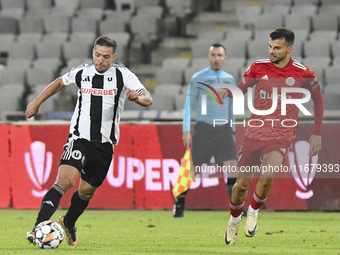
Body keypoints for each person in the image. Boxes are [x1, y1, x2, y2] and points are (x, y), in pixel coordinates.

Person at [25, 36, 153, 246]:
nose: (100, 60)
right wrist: (36, 102)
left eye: (105, 57)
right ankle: (37, 228)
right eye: (97, 55)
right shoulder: (82, 72)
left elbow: (147, 98)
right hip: (79, 138)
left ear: (114, 57)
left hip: (104, 146)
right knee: (64, 182)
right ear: (93, 52)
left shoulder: (123, 74)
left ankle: (68, 222)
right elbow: (59, 83)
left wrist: (137, 98)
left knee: (86, 192)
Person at [217, 28, 324, 245]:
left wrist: (317, 133)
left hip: (282, 132)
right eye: (270, 46)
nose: (272, 51)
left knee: (267, 175)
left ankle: (254, 211)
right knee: (241, 187)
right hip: (256, 131)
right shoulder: (258, 67)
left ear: (289, 49)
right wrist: (226, 92)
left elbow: (318, 100)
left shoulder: (303, 73)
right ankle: (233, 220)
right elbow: (242, 87)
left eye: (277, 48)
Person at [173, 43, 238, 217]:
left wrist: (232, 130)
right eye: (213, 55)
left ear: (225, 58)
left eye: (219, 55)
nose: (216, 58)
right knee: (193, 168)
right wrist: (186, 129)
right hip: (204, 129)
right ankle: (179, 203)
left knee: (232, 165)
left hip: (223, 129)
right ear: (209, 57)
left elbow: (231, 107)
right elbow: (188, 105)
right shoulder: (198, 77)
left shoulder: (230, 80)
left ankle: (236, 207)